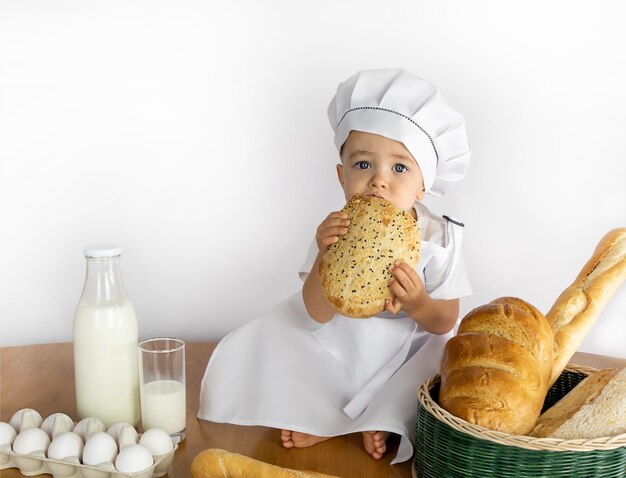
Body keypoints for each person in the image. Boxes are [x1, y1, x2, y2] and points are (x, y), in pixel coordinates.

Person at [198, 68, 472, 464]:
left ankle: (381, 419)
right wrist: (325, 255)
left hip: (409, 344)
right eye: (363, 165)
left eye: (399, 168)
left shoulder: (439, 237)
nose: (379, 181)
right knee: (297, 345)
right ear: (342, 176)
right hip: (344, 337)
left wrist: (418, 303)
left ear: (424, 183)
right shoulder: (338, 230)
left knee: (433, 368)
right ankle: (323, 418)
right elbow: (315, 311)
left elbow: (445, 320)